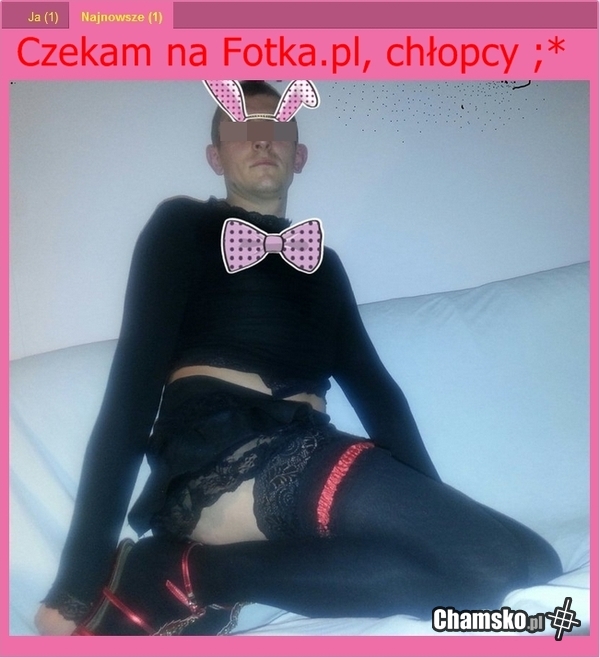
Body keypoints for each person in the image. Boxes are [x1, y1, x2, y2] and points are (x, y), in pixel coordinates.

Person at [35, 80, 562, 636]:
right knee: (495, 565)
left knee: (537, 568)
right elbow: (132, 391)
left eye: (278, 129)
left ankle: (204, 571)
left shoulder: (324, 266)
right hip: (222, 454)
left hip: (307, 452)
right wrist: (75, 585)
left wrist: (430, 508)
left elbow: (377, 393)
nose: (262, 139)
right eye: (243, 129)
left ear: (299, 155)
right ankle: (197, 574)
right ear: (216, 157)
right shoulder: (183, 227)